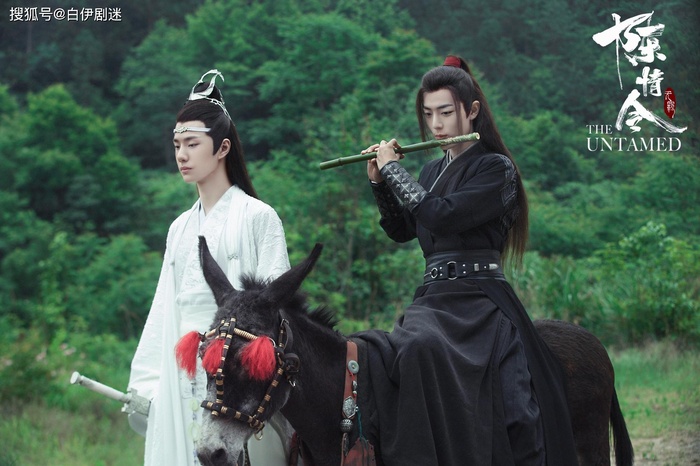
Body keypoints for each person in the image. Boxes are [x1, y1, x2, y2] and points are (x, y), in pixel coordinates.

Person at [356, 56, 579, 465]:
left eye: (445, 112)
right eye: (428, 114)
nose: (436, 124)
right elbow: (403, 228)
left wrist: (395, 172)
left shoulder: (496, 168)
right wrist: (379, 181)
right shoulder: (430, 171)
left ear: (472, 110)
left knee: (517, 408)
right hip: (434, 300)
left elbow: (442, 215)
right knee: (410, 350)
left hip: (480, 299)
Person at [128, 70, 293, 465]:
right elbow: (164, 308)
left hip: (236, 379)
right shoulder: (179, 228)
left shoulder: (259, 216)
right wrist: (148, 380)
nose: (181, 155)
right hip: (183, 370)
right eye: (177, 145)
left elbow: (276, 311)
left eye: (192, 144)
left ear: (222, 148)